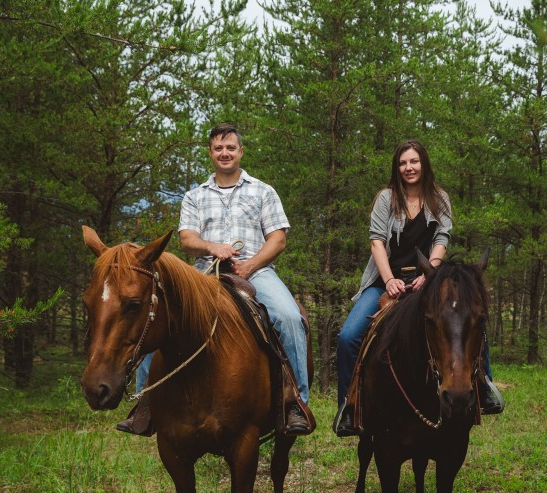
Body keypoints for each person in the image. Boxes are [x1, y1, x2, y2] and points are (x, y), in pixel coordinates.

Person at [332, 140, 503, 437]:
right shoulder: (386, 199)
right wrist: (389, 280)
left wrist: (432, 274)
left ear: (424, 164)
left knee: (468, 321)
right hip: (386, 279)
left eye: (414, 161)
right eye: (402, 163)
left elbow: (442, 238)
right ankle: (349, 405)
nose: (408, 168)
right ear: (396, 168)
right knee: (348, 336)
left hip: (430, 281)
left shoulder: (440, 198)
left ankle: (484, 386)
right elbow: (376, 242)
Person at [177, 122, 312, 435]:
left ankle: (297, 402)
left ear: (240, 151)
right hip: (204, 273)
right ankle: (146, 402)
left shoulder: (263, 191)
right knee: (165, 312)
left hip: (256, 271)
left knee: (289, 316)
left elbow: (278, 239)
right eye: (218, 148)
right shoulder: (194, 196)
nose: (225, 153)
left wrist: (250, 266)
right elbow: (186, 239)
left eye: (230, 148)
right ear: (210, 153)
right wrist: (212, 246)